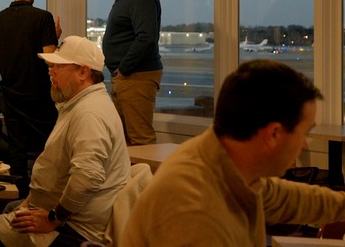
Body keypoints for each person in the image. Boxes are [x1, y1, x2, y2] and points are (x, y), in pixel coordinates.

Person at [122, 60, 345, 246]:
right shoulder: (196, 212)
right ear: (273, 134)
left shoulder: (230, 166)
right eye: (304, 133)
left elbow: (288, 199)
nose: (305, 144)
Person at [0, 36, 130, 246]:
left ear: (83, 72)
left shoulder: (89, 113)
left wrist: (53, 218)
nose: (50, 72)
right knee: (10, 208)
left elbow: (87, 177)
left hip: (77, 227)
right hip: (64, 213)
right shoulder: (81, 104)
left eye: (58, 67)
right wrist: (30, 202)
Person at [0, 0, 61, 197]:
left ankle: (18, 194)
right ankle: (43, 193)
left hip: (10, 94)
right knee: (46, 146)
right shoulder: (42, 18)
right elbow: (50, 60)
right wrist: (54, 38)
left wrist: (9, 61)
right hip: (39, 95)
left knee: (17, 148)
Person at [102, 0, 162, 145]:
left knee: (140, 139)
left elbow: (146, 37)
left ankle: (145, 176)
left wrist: (124, 68)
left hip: (136, 76)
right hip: (126, 76)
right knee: (124, 140)